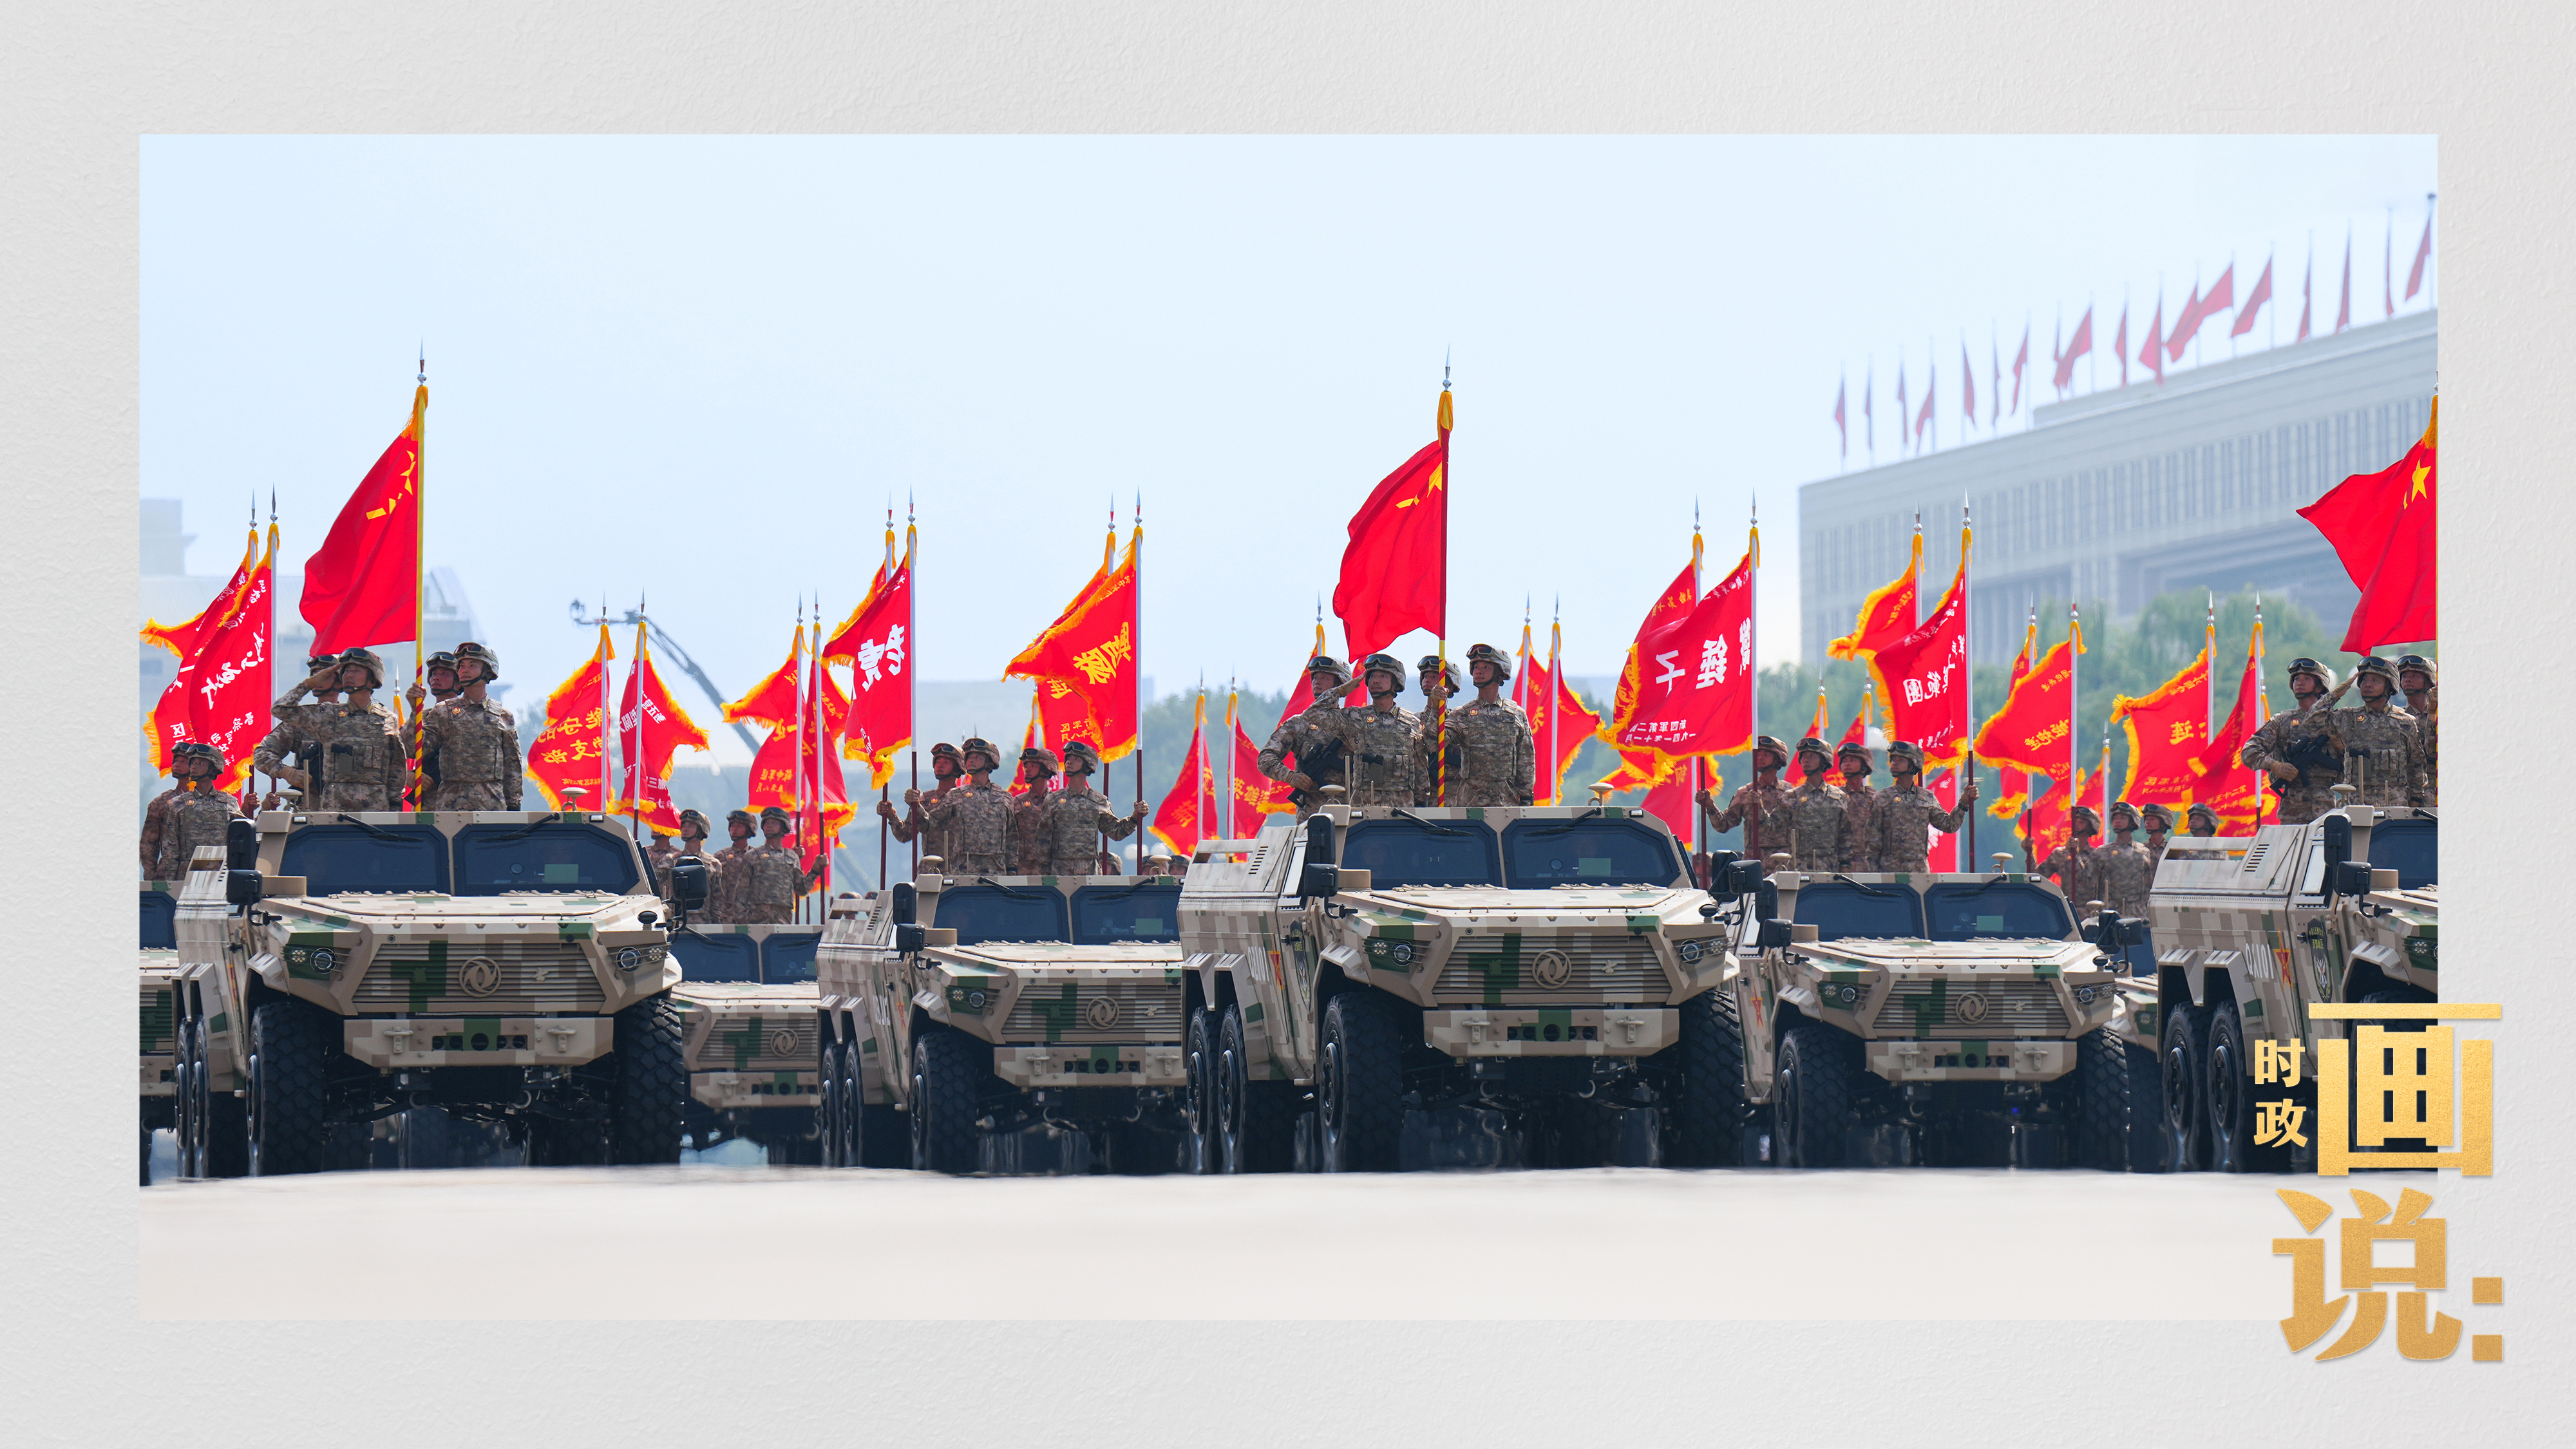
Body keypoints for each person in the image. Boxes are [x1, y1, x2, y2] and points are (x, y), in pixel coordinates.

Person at [1273, 654, 1428, 806]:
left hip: (1402, 809)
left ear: (1396, 683)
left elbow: (1420, 770)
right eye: (1372, 676)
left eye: (1383, 676)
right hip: (1364, 809)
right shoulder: (1355, 718)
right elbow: (1312, 714)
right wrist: (1340, 691)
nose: (1375, 680)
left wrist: (1421, 804)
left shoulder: (1411, 723)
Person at [269, 647, 408, 811]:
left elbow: (397, 768)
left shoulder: (387, 719)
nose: (349, 675)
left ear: (372, 680)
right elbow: (279, 709)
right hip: (334, 811)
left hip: (375, 810)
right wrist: (310, 683)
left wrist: (395, 807)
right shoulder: (328, 715)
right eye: (346, 671)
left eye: (356, 671)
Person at [413, 641, 523, 811]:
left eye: (472, 665)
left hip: (491, 806)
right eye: (462, 666)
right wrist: (415, 711)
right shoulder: (443, 711)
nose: (465, 670)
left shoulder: (503, 716)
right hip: (451, 806)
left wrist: (514, 805)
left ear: (488, 671)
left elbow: (513, 765)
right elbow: (415, 749)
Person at [2239, 657, 2344, 825]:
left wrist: (2341, 748)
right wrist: (2276, 766)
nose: (2299, 683)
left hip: (2326, 810)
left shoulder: (2336, 721)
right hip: (2292, 811)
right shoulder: (2282, 722)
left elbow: (2354, 766)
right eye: (2296, 679)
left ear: (2319, 686)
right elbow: (2249, 752)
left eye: (2306, 679)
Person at [1430, 643, 1536, 808]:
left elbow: (1526, 759)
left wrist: (1526, 797)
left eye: (1486, 667)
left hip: (1507, 803)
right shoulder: (1462, 714)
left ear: (1501, 673)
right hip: (1470, 804)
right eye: (1476, 667)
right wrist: (1435, 708)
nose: (1478, 671)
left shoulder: (1516, 714)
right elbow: (1433, 743)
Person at [1256, 655, 1355, 809]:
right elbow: (1265, 758)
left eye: (1324, 677)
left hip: (1350, 810)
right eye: (1315, 677)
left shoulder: (1353, 722)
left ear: (1340, 683)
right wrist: (1291, 777)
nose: (1317, 682)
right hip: (1311, 814)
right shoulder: (1300, 724)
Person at [2333, 656, 2428, 810]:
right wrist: (2335, 695)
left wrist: (2415, 802)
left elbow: (2416, 767)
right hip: (2357, 806)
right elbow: (2313, 722)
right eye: (2364, 680)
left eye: (2375, 680)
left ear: (2389, 686)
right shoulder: (2348, 718)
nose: (2367, 685)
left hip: (2395, 807)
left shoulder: (2405, 722)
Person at [1041, 739, 1148, 875]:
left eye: (1076, 759)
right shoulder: (1053, 800)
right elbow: (1042, 841)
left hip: (1090, 873)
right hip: (1059, 873)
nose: (1069, 762)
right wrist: (1045, 875)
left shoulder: (1098, 801)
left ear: (1088, 764)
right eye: (1068, 758)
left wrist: (1135, 818)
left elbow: (1116, 832)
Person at [140, 742, 246, 880]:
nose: (194, 767)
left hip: (221, 876)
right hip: (187, 878)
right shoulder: (178, 804)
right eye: (192, 763)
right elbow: (170, 848)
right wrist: (170, 884)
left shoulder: (229, 803)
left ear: (214, 768)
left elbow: (243, 836)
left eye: (200, 763)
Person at [252, 652, 345, 806]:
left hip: (350, 805)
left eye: (324, 675)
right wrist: (287, 772)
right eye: (314, 675)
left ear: (340, 680)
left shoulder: (354, 719)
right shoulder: (302, 720)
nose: (318, 679)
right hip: (311, 805)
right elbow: (261, 754)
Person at [1871, 741, 1977, 874]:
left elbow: (1949, 825)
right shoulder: (1882, 798)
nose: (1894, 763)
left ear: (1913, 764)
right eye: (1893, 760)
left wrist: (1964, 803)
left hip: (1919, 871)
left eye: (1901, 760)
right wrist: (1872, 876)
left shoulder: (1926, 797)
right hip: (1889, 872)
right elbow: (1872, 841)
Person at [916, 737, 1016, 875]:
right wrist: (916, 807)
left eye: (977, 757)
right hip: (964, 873)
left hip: (997, 873)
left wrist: (1012, 870)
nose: (971, 761)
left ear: (990, 762)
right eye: (969, 758)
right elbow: (928, 824)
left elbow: (1012, 837)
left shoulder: (1004, 798)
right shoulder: (956, 795)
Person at [1700, 735, 1792, 864]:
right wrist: (1710, 807)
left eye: (1766, 754)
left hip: (1782, 862)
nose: (1760, 757)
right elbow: (1724, 825)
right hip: (1753, 862)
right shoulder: (1745, 793)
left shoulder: (1789, 793)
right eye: (1758, 753)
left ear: (1778, 759)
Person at [881, 742, 966, 862]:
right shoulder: (925, 800)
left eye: (946, 762)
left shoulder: (965, 800)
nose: (940, 765)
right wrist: (891, 815)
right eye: (938, 761)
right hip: (932, 868)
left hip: (961, 867)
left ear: (957, 768)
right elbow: (905, 834)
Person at [741, 805, 823, 923]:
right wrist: (741, 921)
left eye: (774, 823)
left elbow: (801, 889)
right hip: (756, 922)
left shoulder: (792, 857)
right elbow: (740, 893)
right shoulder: (752, 856)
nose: (769, 826)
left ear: (783, 827)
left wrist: (815, 871)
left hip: (783, 920)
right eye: (766, 823)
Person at [1779, 736, 1848, 873]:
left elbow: (1846, 835)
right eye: (1804, 756)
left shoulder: (1839, 797)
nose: (1806, 760)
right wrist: (1759, 808)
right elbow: (1772, 829)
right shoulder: (1791, 796)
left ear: (1824, 760)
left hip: (1830, 868)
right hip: (1799, 868)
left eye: (1812, 756)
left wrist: (1845, 865)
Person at [2028, 804, 2110, 914]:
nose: (2076, 824)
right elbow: (2035, 877)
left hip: (2091, 915)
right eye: (2076, 821)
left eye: (2081, 822)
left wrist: (2074, 854)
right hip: (2066, 913)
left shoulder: (2097, 856)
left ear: (2091, 827)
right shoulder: (2061, 854)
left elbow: (2085, 882)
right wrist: (2029, 853)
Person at [1009, 744, 1061, 873]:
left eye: (1033, 765)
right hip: (1023, 871)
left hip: (1053, 871)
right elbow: (1009, 838)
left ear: (1046, 769)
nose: (1027, 769)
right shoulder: (1017, 803)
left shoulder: (1058, 804)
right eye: (1026, 766)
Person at [2099, 802, 2155, 920]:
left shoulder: (2143, 852)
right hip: (2110, 914)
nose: (2117, 821)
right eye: (2115, 818)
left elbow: (2148, 886)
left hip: (2138, 915)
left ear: (2132, 821)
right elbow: (2092, 884)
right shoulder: (2102, 852)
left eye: (2122, 818)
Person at [706, 808, 761, 923]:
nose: (734, 829)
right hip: (725, 917)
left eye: (739, 826)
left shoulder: (757, 857)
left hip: (752, 918)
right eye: (732, 826)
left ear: (749, 829)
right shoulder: (720, 857)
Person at [1835, 740, 1880, 871]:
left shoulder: (1875, 798)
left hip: (1869, 864)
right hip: (1841, 864)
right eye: (1844, 761)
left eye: (1852, 760)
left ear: (1864, 765)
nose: (1847, 764)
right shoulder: (1834, 796)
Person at [2138, 802, 2176, 875]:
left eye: (2152, 819)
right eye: (2147, 819)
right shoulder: (2140, 850)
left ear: (2164, 822)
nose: (2148, 822)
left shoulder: (2173, 851)